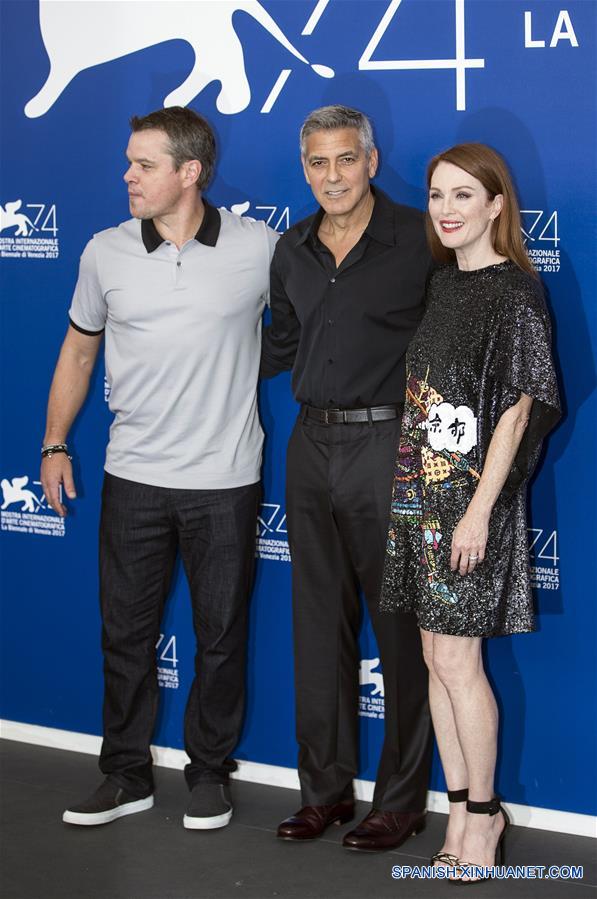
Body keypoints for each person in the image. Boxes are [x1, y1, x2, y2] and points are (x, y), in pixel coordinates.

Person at [40, 106, 277, 830]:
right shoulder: (104, 251)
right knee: (126, 633)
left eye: (143, 164)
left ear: (189, 172)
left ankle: (209, 774)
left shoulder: (260, 247)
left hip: (226, 479)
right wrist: (54, 443)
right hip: (133, 475)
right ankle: (125, 773)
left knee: (221, 635)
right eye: (129, 162)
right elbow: (79, 350)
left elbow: (314, 326)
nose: (128, 176)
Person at [380, 142, 560, 881]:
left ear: (495, 204)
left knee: (458, 659)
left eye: (463, 196)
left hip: (469, 503)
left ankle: (484, 819)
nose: (446, 210)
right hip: (419, 494)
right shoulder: (440, 285)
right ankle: (457, 805)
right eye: (435, 196)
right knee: (432, 657)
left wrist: (479, 511)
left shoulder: (515, 292)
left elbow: (519, 412)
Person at [260, 105, 434, 851]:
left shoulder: (418, 241)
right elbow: (281, 344)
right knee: (316, 624)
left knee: (398, 631)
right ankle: (324, 792)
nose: (330, 176)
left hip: (390, 444)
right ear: (304, 168)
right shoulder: (290, 248)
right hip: (310, 447)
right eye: (316, 163)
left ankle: (399, 801)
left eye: (344, 159)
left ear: (370, 158)